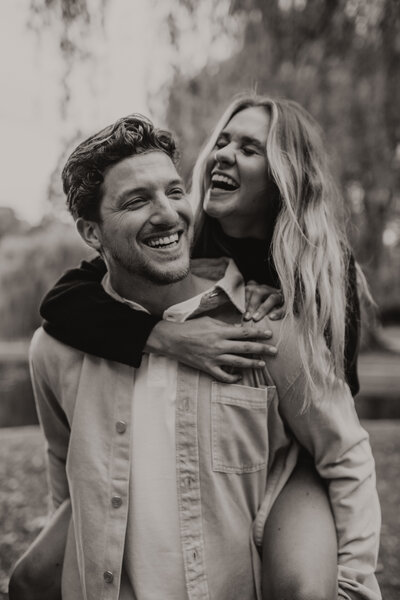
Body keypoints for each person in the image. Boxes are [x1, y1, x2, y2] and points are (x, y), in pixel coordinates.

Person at [11, 113, 381, 600]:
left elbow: (344, 448)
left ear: (280, 185)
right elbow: (68, 468)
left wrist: (353, 587)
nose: (167, 212)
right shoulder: (60, 345)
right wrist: (160, 336)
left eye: (172, 191)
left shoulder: (290, 300)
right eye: (138, 200)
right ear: (92, 232)